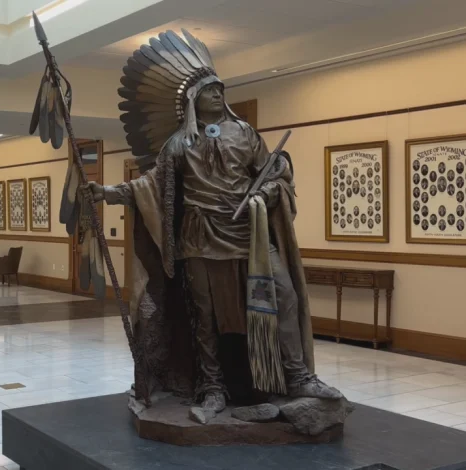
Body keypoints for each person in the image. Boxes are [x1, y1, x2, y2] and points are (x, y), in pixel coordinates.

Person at [81, 29, 340, 419]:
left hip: (249, 233)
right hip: (200, 237)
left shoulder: (245, 133)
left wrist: (266, 193)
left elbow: (274, 173)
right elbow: (151, 185)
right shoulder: (178, 145)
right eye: (209, 90)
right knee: (206, 317)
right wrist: (108, 192)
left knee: (282, 296)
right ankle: (212, 388)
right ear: (192, 99)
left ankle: (297, 375)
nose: (219, 94)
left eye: (221, 88)